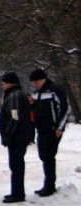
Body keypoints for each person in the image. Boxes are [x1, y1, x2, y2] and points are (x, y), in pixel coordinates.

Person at [29, 69, 69, 197]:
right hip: (41, 129)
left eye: (36, 81)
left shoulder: (55, 89)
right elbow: (35, 110)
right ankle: (47, 184)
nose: (35, 84)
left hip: (52, 129)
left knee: (48, 157)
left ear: (43, 79)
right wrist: (32, 105)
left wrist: (60, 128)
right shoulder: (36, 93)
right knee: (43, 156)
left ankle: (49, 186)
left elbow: (65, 108)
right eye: (33, 82)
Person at [0, 72, 34, 203]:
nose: (2, 86)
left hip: (17, 138)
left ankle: (18, 194)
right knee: (16, 165)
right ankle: (16, 191)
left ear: (10, 83)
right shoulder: (16, 94)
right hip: (19, 136)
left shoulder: (14, 96)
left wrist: (8, 135)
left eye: (3, 83)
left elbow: (14, 118)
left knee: (16, 165)